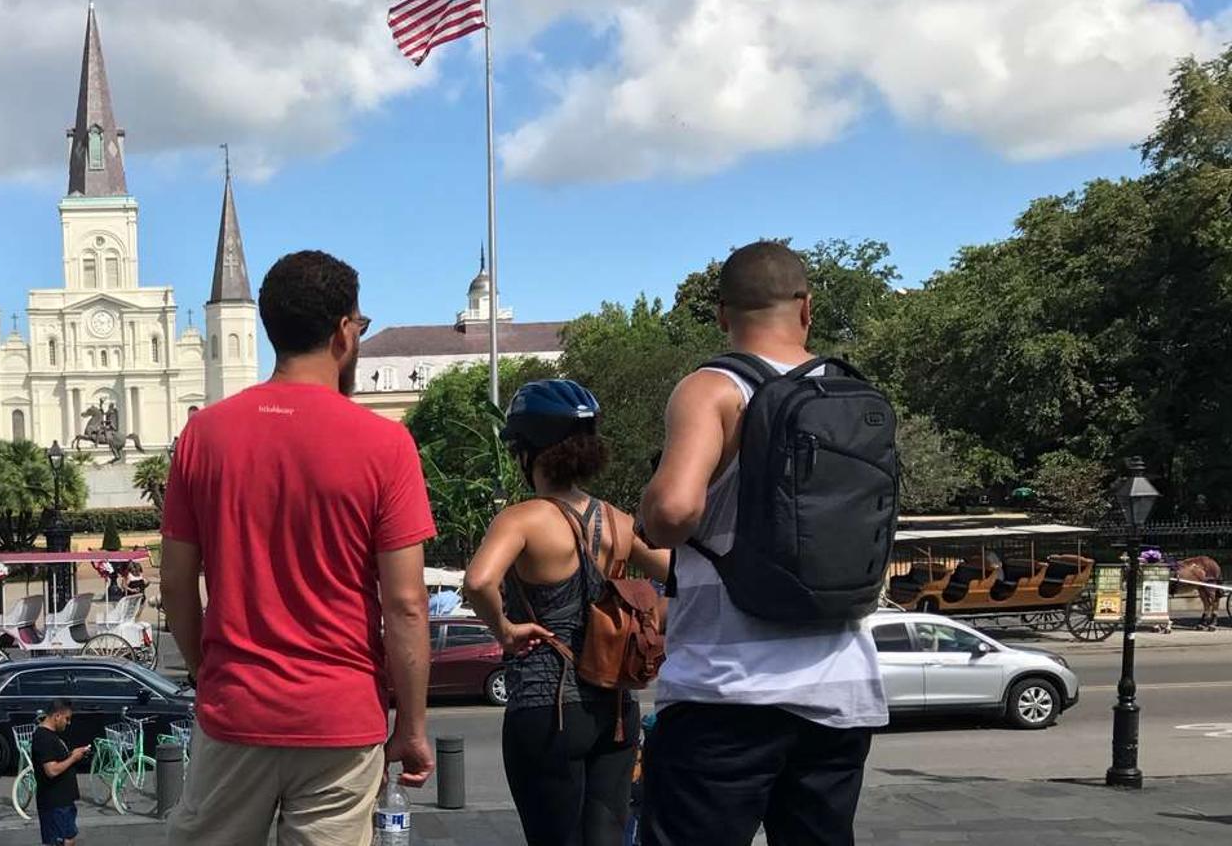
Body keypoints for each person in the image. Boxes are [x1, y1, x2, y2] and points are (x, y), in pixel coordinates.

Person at [161, 250, 437, 845]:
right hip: (341, 716)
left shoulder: (204, 435)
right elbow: (407, 604)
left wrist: (208, 673)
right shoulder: (386, 446)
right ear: (344, 331)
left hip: (235, 710)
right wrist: (412, 726)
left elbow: (176, 584)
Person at [637, 242, 888, 846]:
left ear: (723, 314)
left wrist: (646, 513)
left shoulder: (713, 388)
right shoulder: (849, 395)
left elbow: (672, 511)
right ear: (806, 308)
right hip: (839, 689)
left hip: (727, 691)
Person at [462, 380, 671, 846]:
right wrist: (656, 618)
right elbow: (681, 575)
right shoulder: (618, 521)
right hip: (615, 708)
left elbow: (477, 582)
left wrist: (505, 630)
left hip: (547, 705)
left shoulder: (522, 519)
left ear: (527, 453)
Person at [31, 698, 89, 846]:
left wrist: (72, 754)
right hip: (54, 802)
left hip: (63, 800)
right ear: (57, 716)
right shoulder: (43, 738)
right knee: (60, 841)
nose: (68, 723)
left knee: (68, 839)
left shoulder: (51, 736)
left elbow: (57, 760)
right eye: (67, 718)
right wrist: (73, 758)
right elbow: (51, 770)